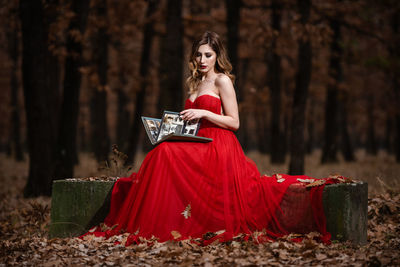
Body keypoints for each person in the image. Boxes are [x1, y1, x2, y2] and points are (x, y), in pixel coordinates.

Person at [85, 31, 339, 245]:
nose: (203, 59)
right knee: (160, 152)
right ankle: (162, 223)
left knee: (164, 154)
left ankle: (162, 226)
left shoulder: (222, 81)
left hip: (219, 144)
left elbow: (234, 122)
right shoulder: (194, 83)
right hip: (196, 141)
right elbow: (193, 118)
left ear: (217, 55)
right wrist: (174, 126)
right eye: (199, 54)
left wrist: (204, 111)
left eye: (208, 54)